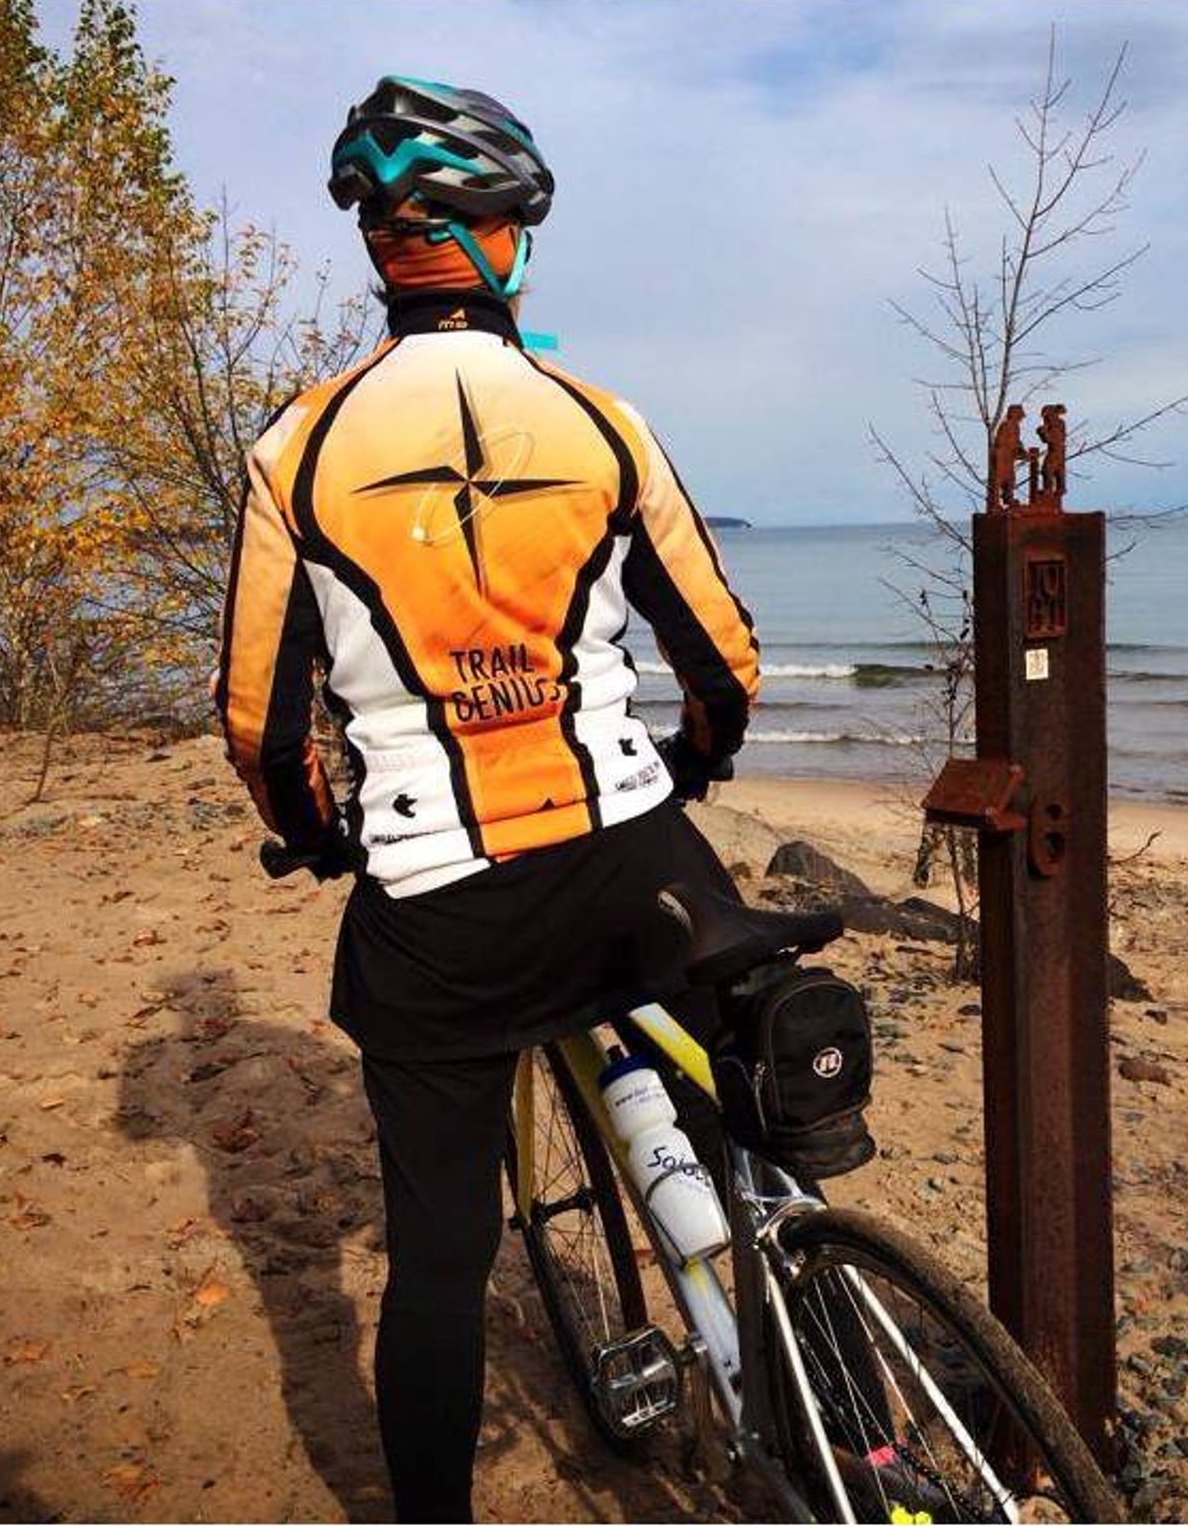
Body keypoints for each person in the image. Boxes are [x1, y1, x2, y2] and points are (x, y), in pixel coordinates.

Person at [213, 75, 760, 1522]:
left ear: (385, 252)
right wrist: (694, 757)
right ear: (506, 244)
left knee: (441, 1265)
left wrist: (314, 826)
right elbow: (727, 656)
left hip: (440, 904)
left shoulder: (298, 450)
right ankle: (827, 1340)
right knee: (751, 1098)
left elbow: (259, 726)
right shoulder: (598, 418)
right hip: (626, 847)